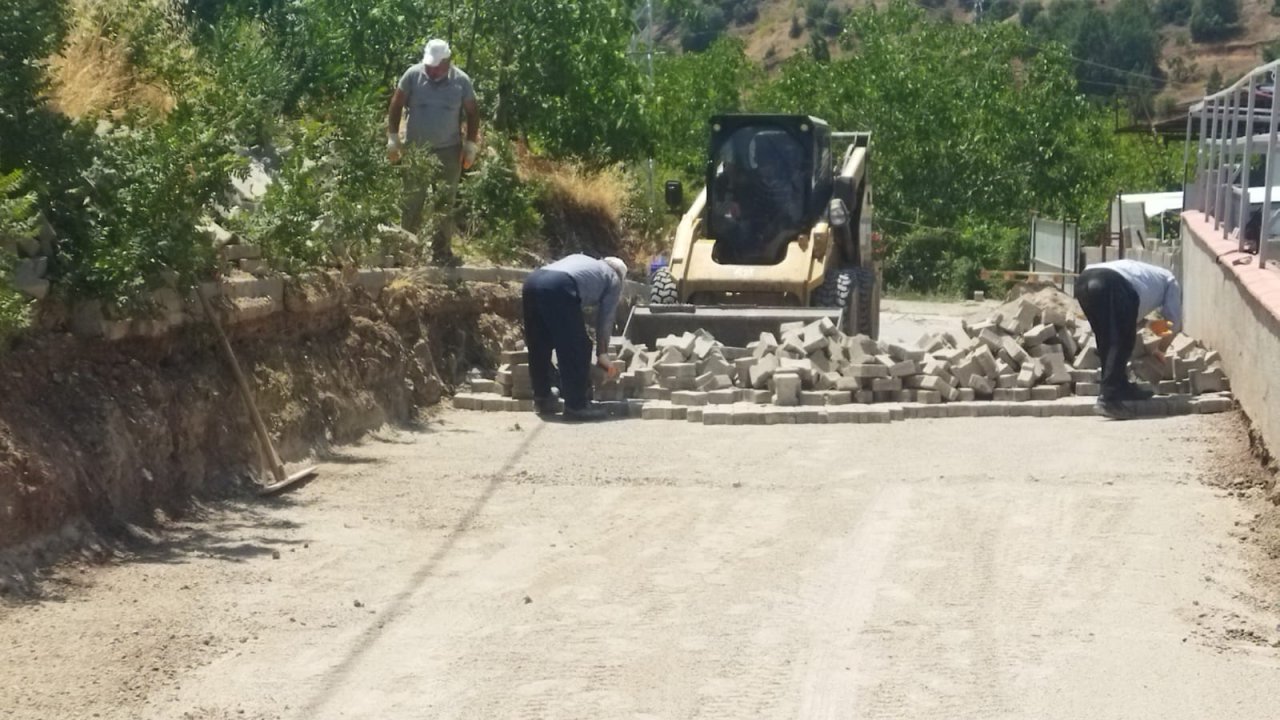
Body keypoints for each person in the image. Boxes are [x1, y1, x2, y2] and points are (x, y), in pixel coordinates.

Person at [386, 39, 480, 267]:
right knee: (412, 201)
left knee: (445, 202)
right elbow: (396, 104)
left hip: (449, 150)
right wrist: (393, 137)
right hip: (417, 149)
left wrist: (470, 144)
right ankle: (406, 250)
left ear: (447, 61)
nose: (431, 69)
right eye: (429, 64)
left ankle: (441, 252)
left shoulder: (461, 82)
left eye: (436, 65)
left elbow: (473, 112)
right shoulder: (413, 76)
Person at [522, 254, 627, 421]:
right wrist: (602, 354)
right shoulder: (613, 278)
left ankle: (542, 397)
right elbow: (606, 319)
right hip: (560, 287)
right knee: (579, 346)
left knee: (539, 344)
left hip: (532, 282)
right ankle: (576, 405)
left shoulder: (587, 263)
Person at [1075, 258, 1182, 419]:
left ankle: (1120, 387)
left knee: (1106, 339)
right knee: (1119, 341)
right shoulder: (1171, 281)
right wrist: (1161, 350)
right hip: (1111, 283)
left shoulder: (1144, 276)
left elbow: (1132, 319)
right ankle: (1108, 399)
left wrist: (1148, 325)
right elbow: (1173, 323)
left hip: (1084, 281)